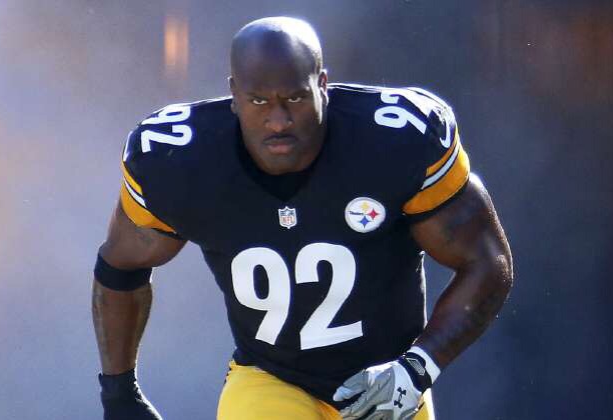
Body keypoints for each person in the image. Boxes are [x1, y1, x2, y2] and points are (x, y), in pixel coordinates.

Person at [92, 16, 513, 420]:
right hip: (271, 379)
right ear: (233, 94)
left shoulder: (395, 140)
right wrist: (119, 391)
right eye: (259, 101)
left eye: (294, 98)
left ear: (322, 85)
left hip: (387, 383)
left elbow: (487, 261)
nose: (278, 120)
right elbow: (121, 266)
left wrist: (418, 367)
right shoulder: (176, 159)